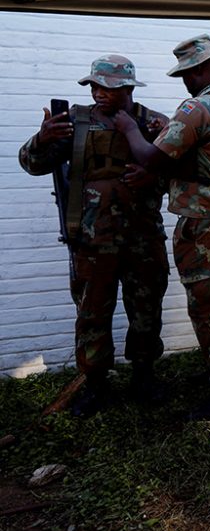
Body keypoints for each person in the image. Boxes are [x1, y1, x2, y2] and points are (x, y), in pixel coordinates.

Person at [114, 34, 210, 420]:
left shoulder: (198, 107)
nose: (184, 81)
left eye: (186, 74)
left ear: (198, 70)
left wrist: (130, 128)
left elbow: (151, 158)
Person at [18, 55, 169, 417]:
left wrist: (154, 177)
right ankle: (96, 385)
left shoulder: (153, 124)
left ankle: (144, 376)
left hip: (142, 238)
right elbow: (31, 164)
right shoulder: (74, 121)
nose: (100, 93)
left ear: (129, 88)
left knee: (146, 310)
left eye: (109, 87)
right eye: (95, 86)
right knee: (92, 314)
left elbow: (179, 171)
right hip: (91, 239)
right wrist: (42, 140)